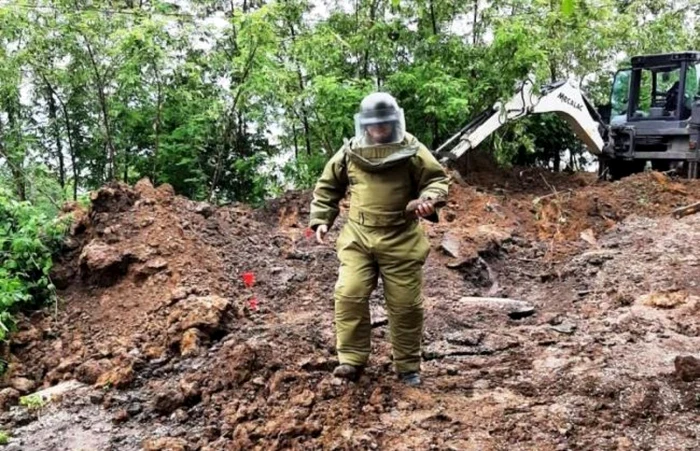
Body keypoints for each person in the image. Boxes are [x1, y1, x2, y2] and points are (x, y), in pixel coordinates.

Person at [308, 92, 449, 386]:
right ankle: (351, 360)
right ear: (365, 125)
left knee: (406, 305)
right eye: (374, 125)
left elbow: (436, 179)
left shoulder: (412, 148)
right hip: (358, 237)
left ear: (394, 122)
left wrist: (428, 200)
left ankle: (408, 366)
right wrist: (321, 218)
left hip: (401, 236)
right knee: (349, 293)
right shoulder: (351, 152)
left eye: (385, 125)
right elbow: (328, 185)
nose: (379, 131)